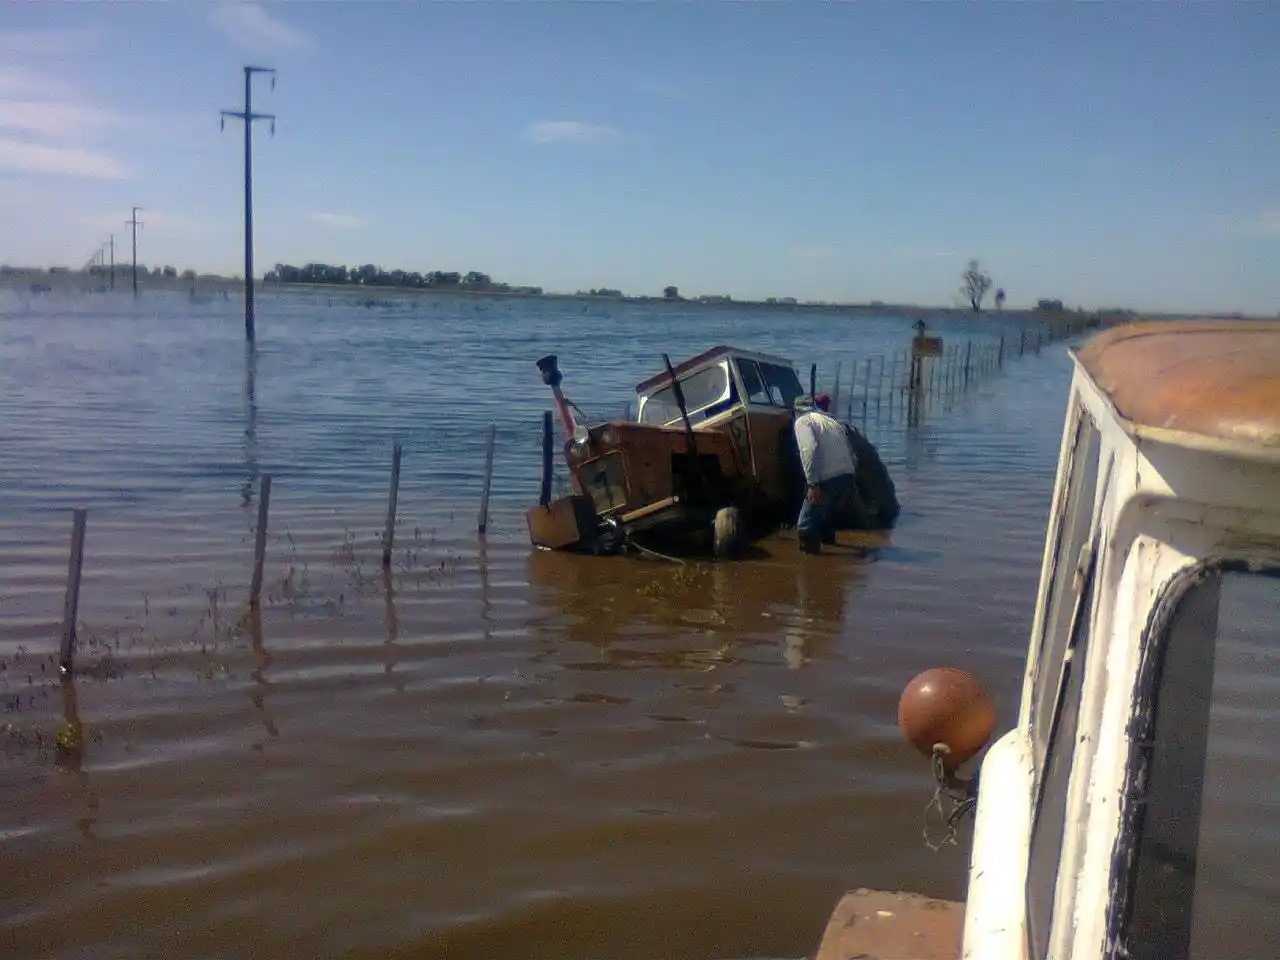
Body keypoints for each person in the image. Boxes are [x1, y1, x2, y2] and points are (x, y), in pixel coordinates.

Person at [793, 392, 858, 553]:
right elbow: (851, 452)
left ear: (797, 411)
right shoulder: (831, 421)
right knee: (825, 518)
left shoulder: (802, 421)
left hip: (829, 477)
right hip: (847, 475)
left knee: (805, 524)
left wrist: (813, 483)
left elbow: (809, 448)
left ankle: (812, 568)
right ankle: (833, 566)